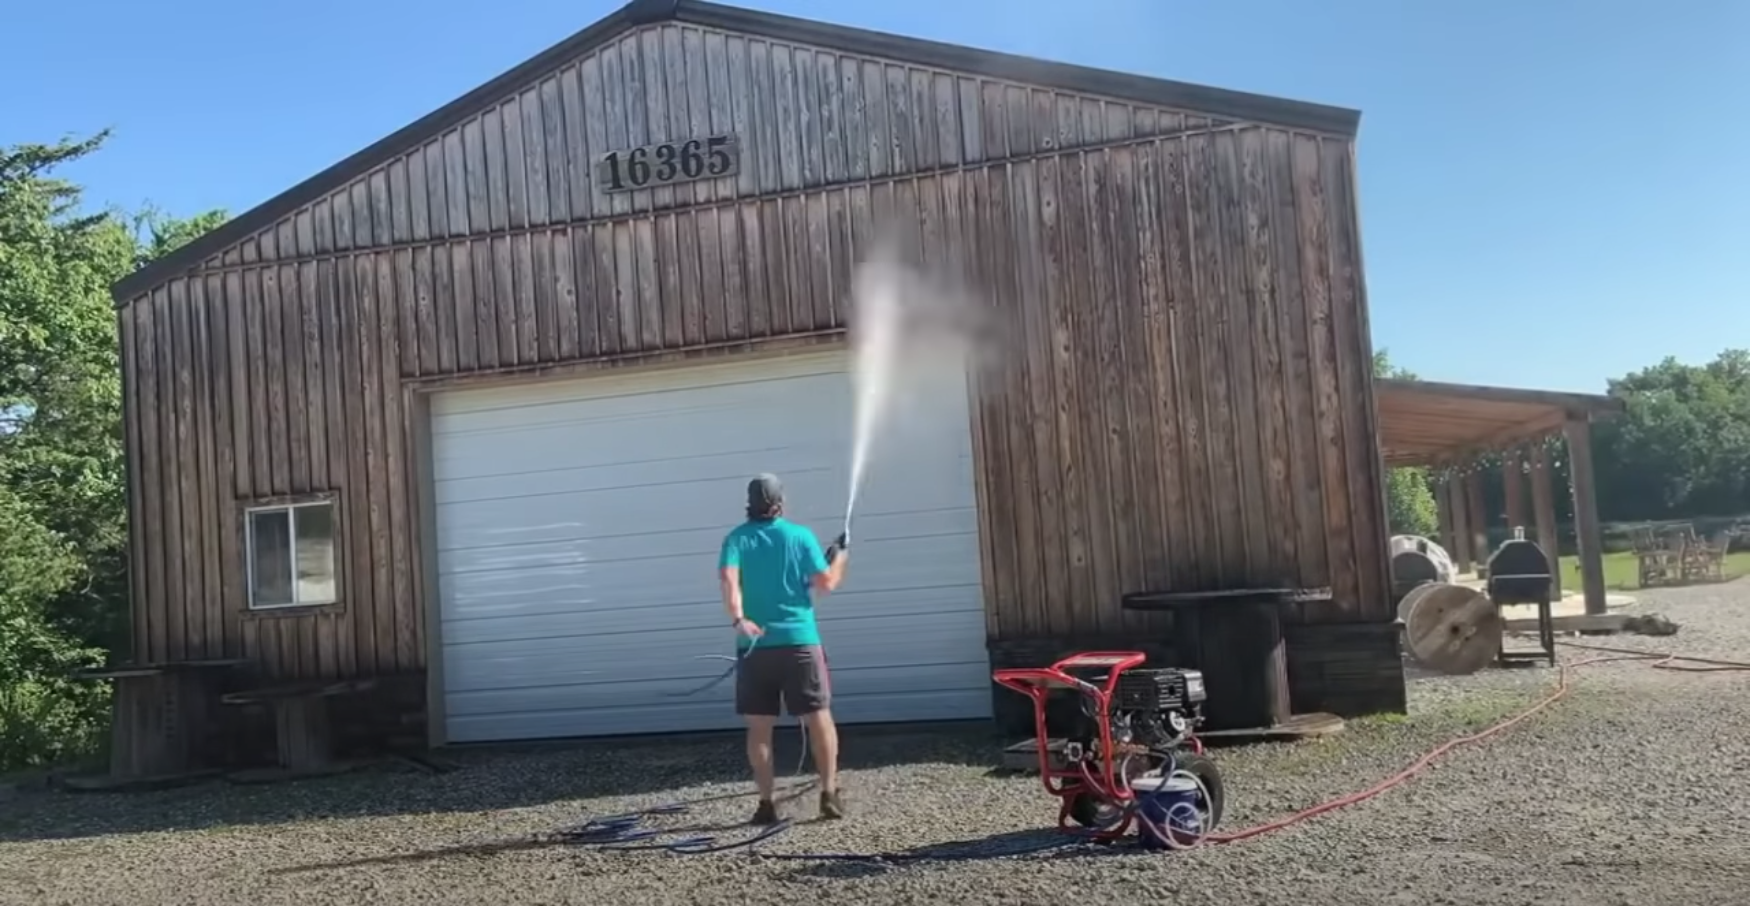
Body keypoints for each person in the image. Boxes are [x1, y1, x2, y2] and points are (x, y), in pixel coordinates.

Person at [718, 473, 850, 824]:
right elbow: (826, 583)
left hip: (754, 646)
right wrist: (839, 556)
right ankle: (829, 795)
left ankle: (765, 805)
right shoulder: (800, 536)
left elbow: (729, 581)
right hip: (800, 643)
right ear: (780, 502)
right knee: (818, 717)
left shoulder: (735, 539)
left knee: (759, 727)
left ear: (750, 503)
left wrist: (738, 620)